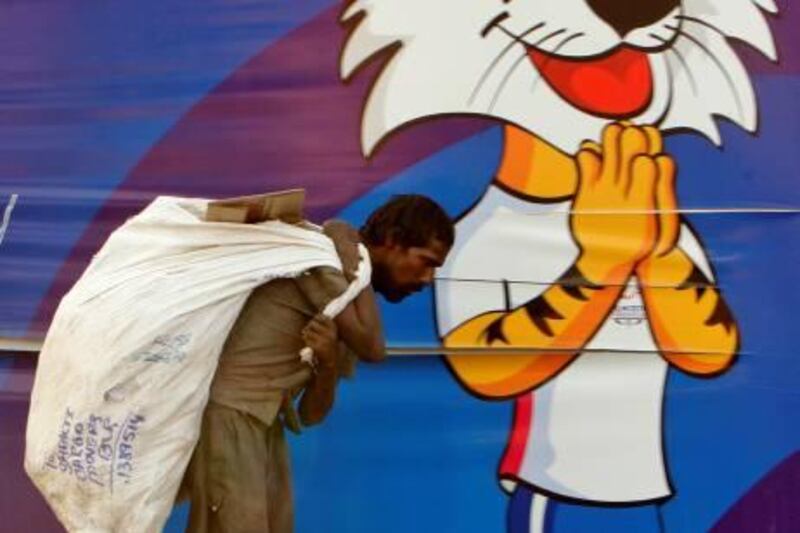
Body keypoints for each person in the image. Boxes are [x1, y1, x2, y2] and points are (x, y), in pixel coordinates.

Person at [179, 194, 454, 533]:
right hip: (227, 415)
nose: (427, 279)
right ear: (393, 241)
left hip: (263, 428)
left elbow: (312, 414)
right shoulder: (322, 258)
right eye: (426, 262)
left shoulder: (350, 304)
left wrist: (326, 363)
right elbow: (374, 350)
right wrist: (349, 245)